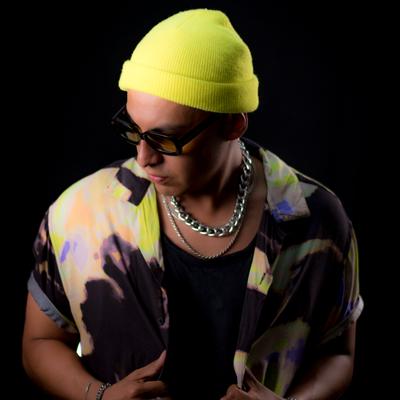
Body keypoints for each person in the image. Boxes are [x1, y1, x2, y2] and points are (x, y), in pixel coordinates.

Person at [22, 8, 363, 400]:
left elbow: (337, 353)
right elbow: (40, 341)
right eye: (133, 130)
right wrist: (98, 396)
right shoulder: (80, 212)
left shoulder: (319, 219)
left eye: (166, 139)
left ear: (233, 124)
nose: (144, 157)